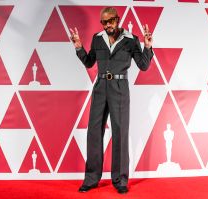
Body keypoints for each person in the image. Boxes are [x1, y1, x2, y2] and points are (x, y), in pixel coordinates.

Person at [70, 7, 154, 194]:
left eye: (110, 21)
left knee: (120, 134)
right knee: (93, 132)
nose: (107, 25)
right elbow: (90, 62)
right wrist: (78, 47)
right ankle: (91, 178)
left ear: (117, 19)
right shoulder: (97, 38)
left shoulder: (131, 40)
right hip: (100, 88)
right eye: (104, 22)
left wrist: (147, 46)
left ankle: (120, 180)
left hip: (119, 89)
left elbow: (144, 65)